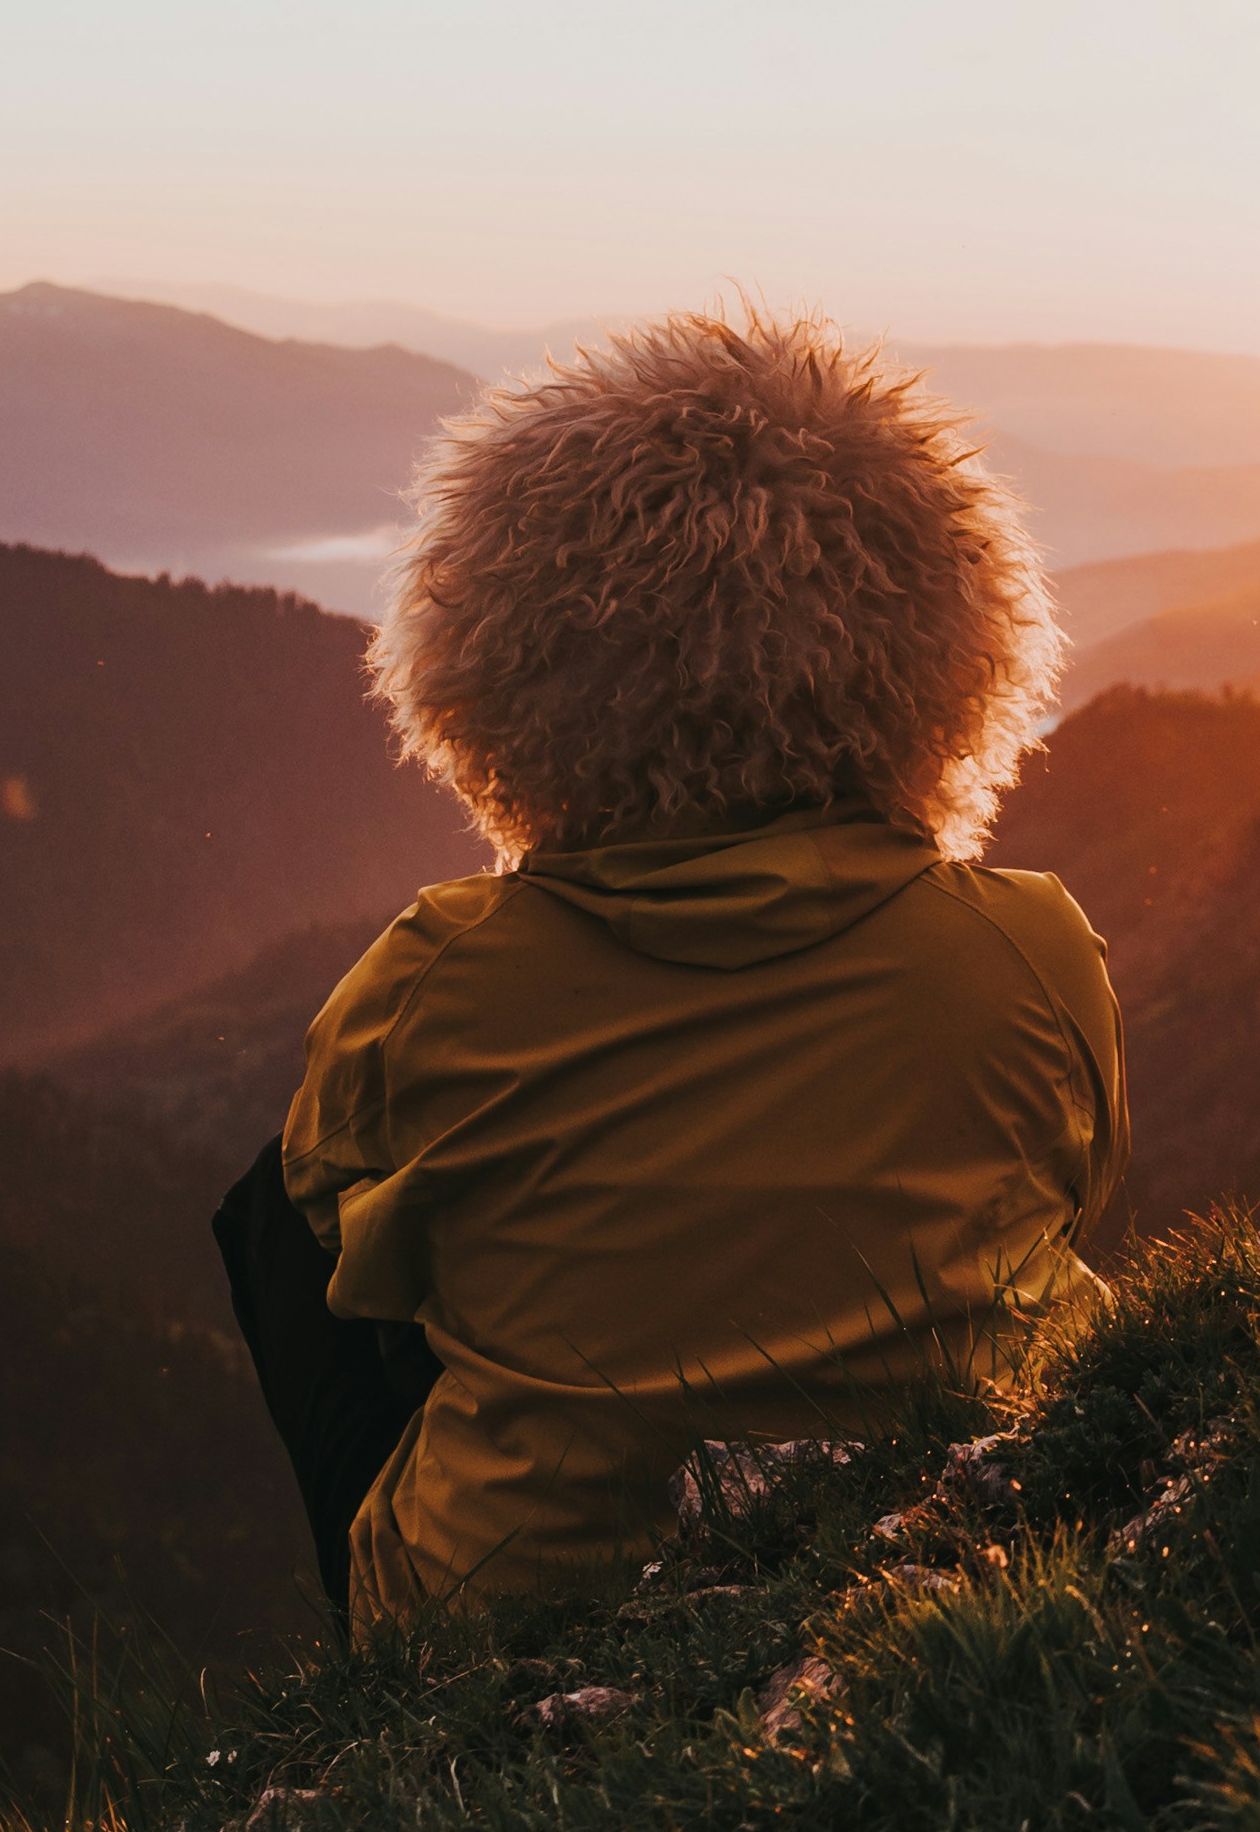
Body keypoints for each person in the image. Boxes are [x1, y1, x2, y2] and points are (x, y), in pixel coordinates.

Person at [214, 310, 1126, 1631]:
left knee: (285, 1224)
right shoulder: (1026, 949)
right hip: (981, 1514)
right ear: (951, 658)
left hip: (514, 1603)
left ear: (496, 676)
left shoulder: (432, 978)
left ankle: (380, 1666)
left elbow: (341, 1238)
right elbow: (1072, 1187)